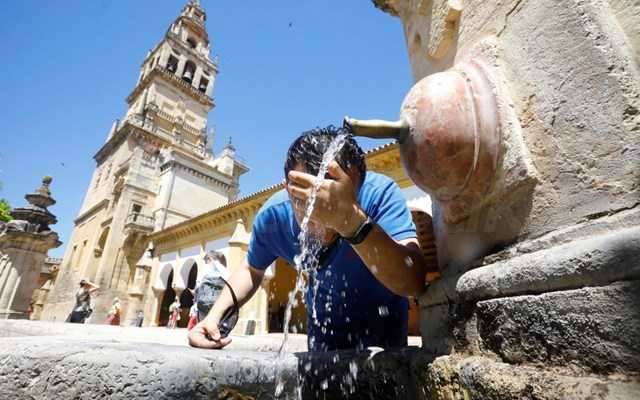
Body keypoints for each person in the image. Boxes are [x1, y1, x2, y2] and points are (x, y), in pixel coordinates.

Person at [189, 126, 428, 351]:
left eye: (334, 204)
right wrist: (213, 318)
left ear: (357, 184)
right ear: (289, 189)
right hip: (322, 338)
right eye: (309, 204)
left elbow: (414, 281)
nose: (323, 221)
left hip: (386, 337)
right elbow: (251, 270)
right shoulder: (274, 218)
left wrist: (352, 222)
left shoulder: (380, 195)